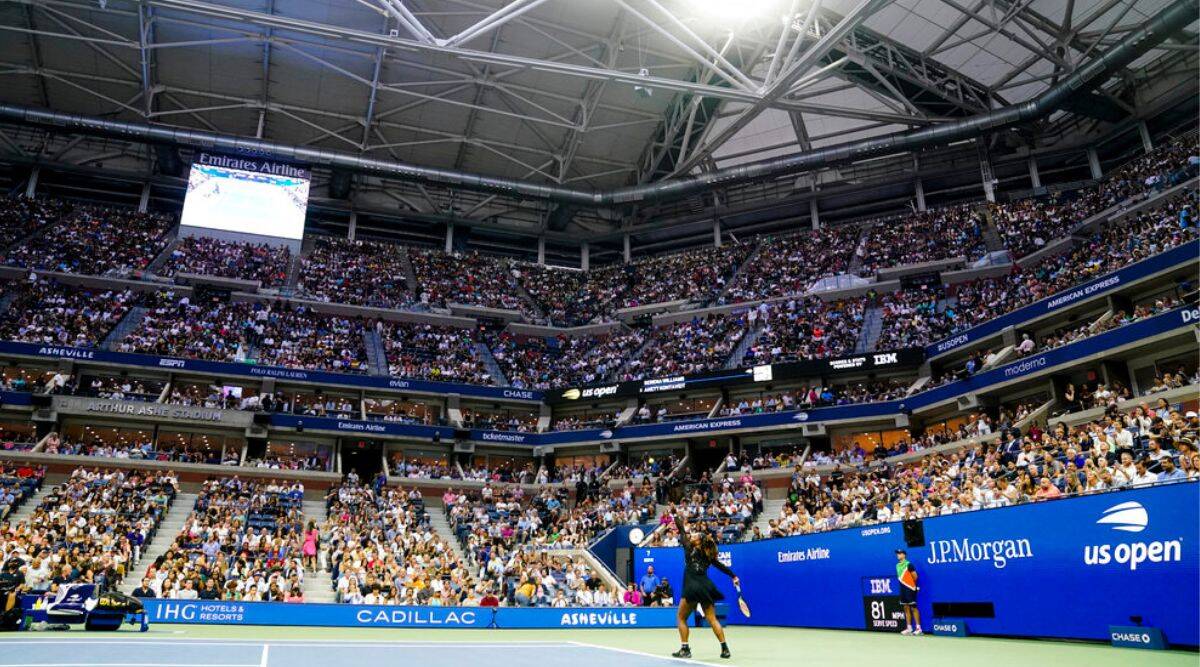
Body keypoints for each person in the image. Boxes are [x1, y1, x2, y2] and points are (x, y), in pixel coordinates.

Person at [672, 512, 738, 659]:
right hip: (705, 587)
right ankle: (725, 648)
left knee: (681, 618)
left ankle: (685, 649)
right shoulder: (708, 555)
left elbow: (681, 529)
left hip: (691, 587)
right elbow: (721, 566)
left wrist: (676, 516)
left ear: (698, 541)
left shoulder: (688, 547)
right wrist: (734, 576)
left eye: (695, 536)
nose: (692, 536)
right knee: (713, 619)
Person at [895, 549, 922, 636]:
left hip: (910, 589)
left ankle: (918, 628)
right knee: (906, 608)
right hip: (903, 589)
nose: (898, 555)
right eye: (897, 554)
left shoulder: (909, 564)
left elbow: (915, 576)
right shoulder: (897, 566)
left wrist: (910, 585)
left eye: (900, 554)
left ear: (904, 555)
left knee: (913, 608)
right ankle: (909, 628)